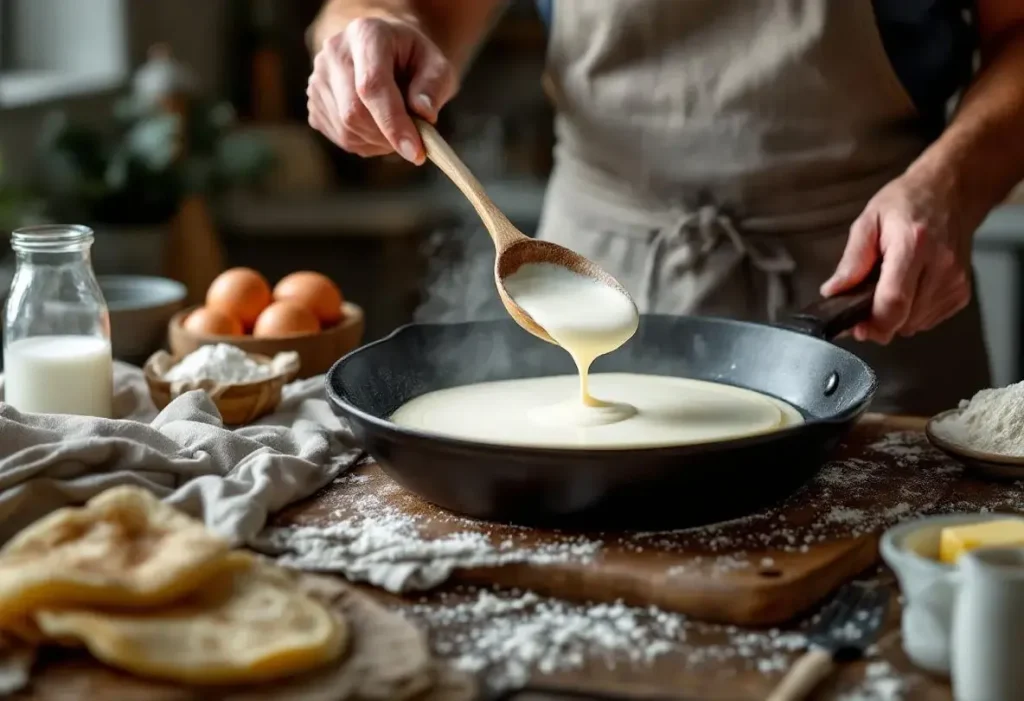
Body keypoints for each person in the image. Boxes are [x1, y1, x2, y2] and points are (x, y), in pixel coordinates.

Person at [305, 0, 1024, 415]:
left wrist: (951, 185)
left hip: (872, 293)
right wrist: (373, 33)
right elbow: (395, 6)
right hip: (594, 274)